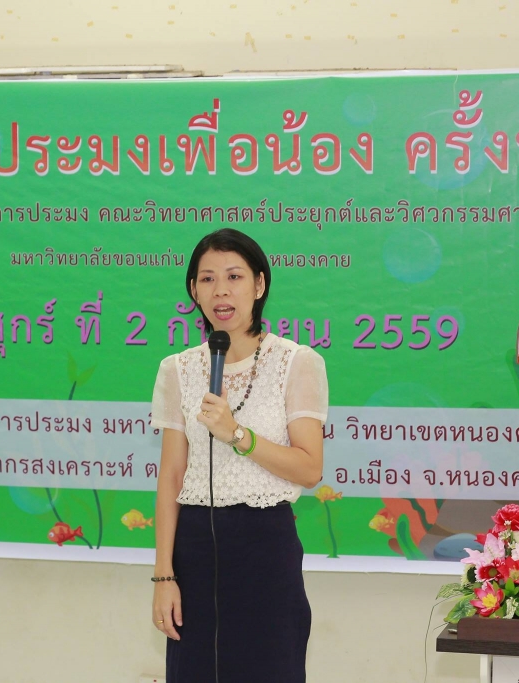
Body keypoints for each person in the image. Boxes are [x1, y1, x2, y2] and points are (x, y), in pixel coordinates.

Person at [149, 228, 329, 683]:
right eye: (207, 279)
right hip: (194, 549)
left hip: (264, 546)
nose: (221, 291)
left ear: (259, 284)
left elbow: (310, 468)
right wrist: (164, 576)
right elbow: (171, 477)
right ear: (194, 290)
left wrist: (237, 435)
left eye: (234, 276)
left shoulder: (296, 362)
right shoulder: (177, 369)